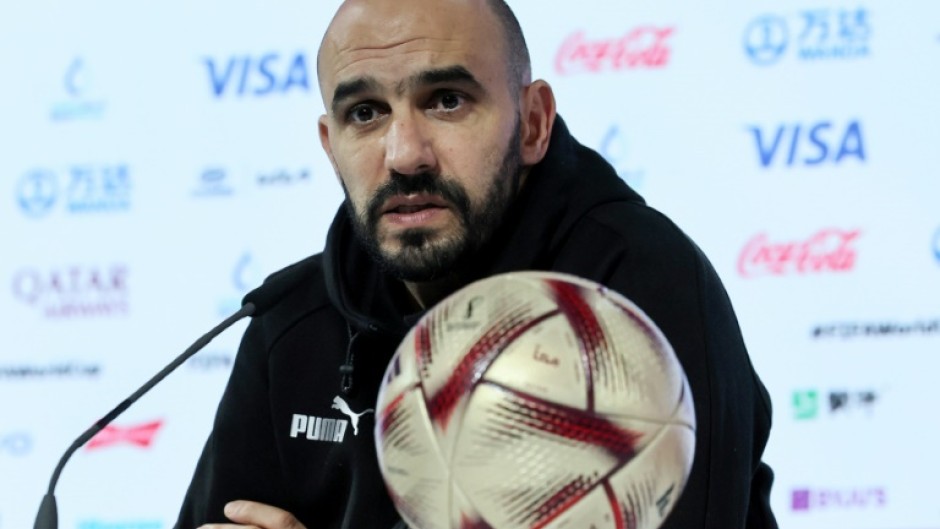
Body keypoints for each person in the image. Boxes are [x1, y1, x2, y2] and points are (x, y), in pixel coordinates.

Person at [176, 0, 778, 527]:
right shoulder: (292, 318)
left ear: (534, 123)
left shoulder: (637, 288)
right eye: (365, 112)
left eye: (446, 101)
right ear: (330, 146)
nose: (405, 154)